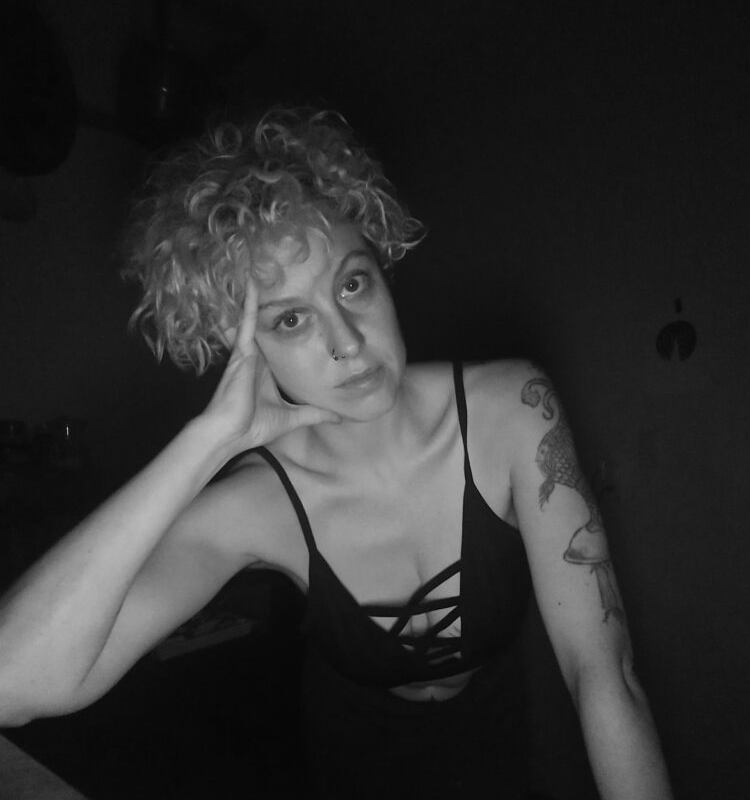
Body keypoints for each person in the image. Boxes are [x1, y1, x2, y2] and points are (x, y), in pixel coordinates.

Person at [0, 107, 672, 799]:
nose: (348, 341)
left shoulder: (513, 409)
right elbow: (12, 685)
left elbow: (606, 676)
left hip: (497, 743)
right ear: (241, 345)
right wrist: (208, 441)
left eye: (352, 283)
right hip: (354, 761)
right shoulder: (255, 502)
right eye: (291, 319)